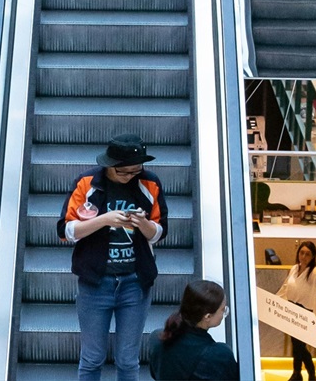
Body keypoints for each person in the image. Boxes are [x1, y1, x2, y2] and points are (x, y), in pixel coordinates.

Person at [56, 134, 170, 381]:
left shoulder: (150, 183)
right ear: (109, 166)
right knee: (92, 358)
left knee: (128, 360)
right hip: (95, 282)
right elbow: (65, 231)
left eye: (136, 170)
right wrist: (104, 220)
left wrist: (143, 224)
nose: (131, 176)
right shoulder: (87, 182)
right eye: (124, 172)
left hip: (135, 282)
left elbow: (159, 232)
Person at [148, 280, 239, 380]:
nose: (224, 313)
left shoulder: (157, 339)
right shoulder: (219, 355)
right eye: (223, 310)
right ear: (207, 316)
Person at [276, 241, 316, 381]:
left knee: (300, 347)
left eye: (307, 254)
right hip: (292, 310)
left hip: (306, 313)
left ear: (313, 256)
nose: (303, 256)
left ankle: (310, 373)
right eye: (301, 253)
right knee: (296, 345)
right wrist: (277, 302)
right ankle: (297, 373)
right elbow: (286, 287)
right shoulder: (294, 269)